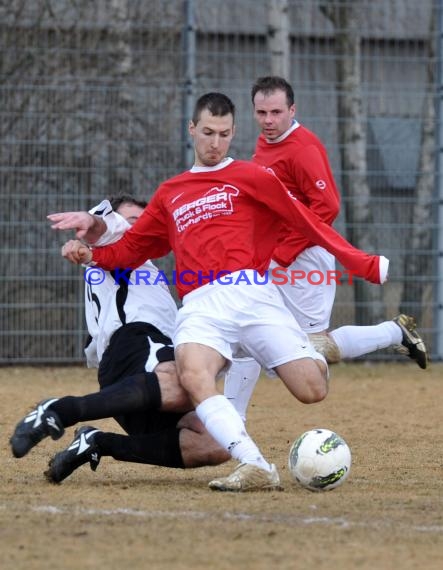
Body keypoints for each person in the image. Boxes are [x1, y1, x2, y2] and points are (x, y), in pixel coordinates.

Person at [47, 92, 390, 492]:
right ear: (192, 129)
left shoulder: (254, 177)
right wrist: (93, 253)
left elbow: (308, 221)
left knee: (312, 389)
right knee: (194, 376)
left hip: (251, 295)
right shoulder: (171, 192)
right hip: (202, 305)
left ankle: (298, 345)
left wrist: (360, 262)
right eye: (208, 132)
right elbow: (133, 247)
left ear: (233, 134)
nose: (215, 143)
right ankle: (255, 465)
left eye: (224, 134)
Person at [224, 77, 428, 408]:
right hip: (271, 260)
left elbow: (327, 206)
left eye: (276, 112)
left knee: (306, 352)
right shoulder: (266, 142)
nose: (269, 120)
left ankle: (394, 333)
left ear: (293, 109)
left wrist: (285, 251)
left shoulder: (303, 148)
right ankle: (228, 425)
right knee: (248, 330)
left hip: (303, 259)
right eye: (261, 112)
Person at [10, 195, 229, 483]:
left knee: (218, 441)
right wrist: (90, 230)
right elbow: (101, 229)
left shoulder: (141, 269)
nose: (135, 229)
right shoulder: (119, 252)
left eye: (141, 223)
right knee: (190, 381)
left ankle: (98, 443)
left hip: (129, 379)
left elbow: (93, 348)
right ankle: (58, 411)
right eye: (129, 223)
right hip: (138, 343)